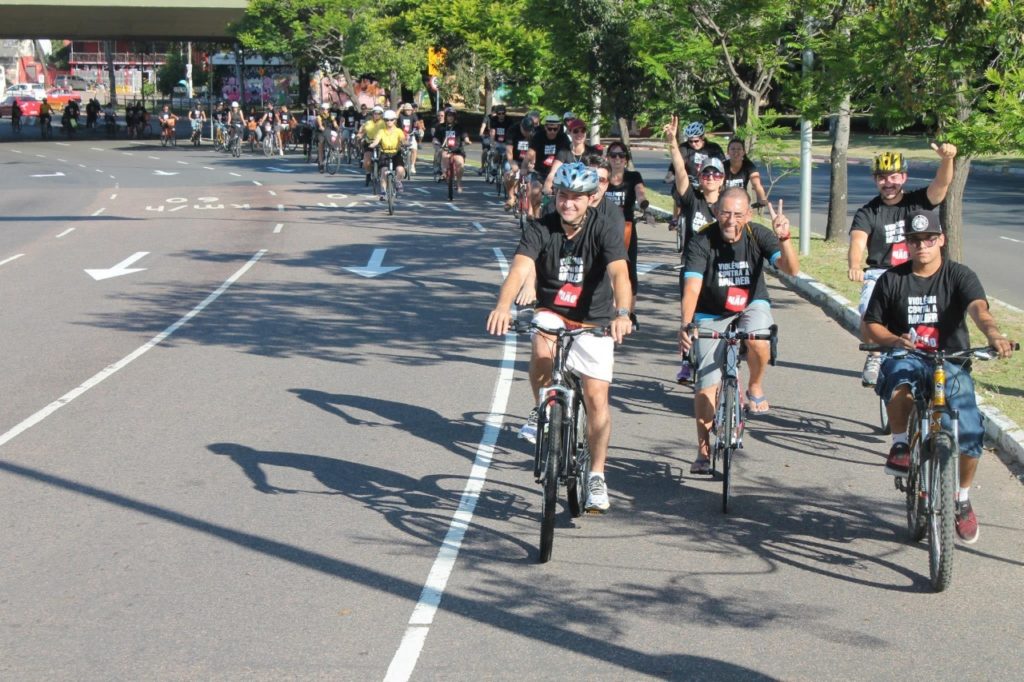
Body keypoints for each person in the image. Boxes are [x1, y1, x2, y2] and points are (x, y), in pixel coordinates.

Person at [486, 162, 633, 512]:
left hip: (593, 318)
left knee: (597, 397)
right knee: (541, 345)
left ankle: (596, 475)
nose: (569, 204)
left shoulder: (604, 228)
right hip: (553, 309)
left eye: (577, 198)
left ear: (590, 198)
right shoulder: (540, 228)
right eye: (563, 196)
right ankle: (542, 410)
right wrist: (502, 307)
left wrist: (623, 314)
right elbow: (520, 268)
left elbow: (619, 274)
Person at [861, 209, 1014, 544]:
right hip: (909, 355)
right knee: (900, 377)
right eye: (914, 241)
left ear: (941, 239)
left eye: (928, 239)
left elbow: (979, 310)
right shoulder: (892, 279)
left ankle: (961, 499)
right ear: (907, 244)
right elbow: (870, 323)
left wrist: (993, 335)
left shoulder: (959, 275)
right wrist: (891, 340)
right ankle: (901, 445)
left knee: (971, 432)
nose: (922, 247)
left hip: (952, 361)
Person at [679, 189, 799, 474]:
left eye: (737, 214)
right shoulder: (702, 240)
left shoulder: (757, 235)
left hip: (750, 303)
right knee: (706, 383)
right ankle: (703, 450)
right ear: (716, 212)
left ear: (748, 215)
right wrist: (686, 325)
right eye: (724, 213)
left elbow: (791, 270)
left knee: (760, 338)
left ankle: (755, 386)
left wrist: (784, 238)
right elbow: (692, 286)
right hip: (711, 311)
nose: (730, 220)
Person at [849, 144, 958, 387]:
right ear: (875, 180)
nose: (888, 182)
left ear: (904, 177)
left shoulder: (917, 201)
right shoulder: (868, 212)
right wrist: (855, 264)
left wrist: (947, 159)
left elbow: (941, 186)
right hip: (882, 273)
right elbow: (858, 241)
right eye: (882, 177)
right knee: (868, 311)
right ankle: (875, 355)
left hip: (917, 270)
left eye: (893, 176)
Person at [665, 116, 727, 383]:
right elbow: (680, 172)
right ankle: (686, 362)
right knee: (688, 316)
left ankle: (728, 357)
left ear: (723, 179)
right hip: (693, 268)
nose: (710, 177)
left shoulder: (729, 205)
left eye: (715, 173)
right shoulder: (693, 200)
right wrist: (672, 144)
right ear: (700, 178)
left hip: (722, 270)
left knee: (725, 317)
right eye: (706, 174)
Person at [604, 141, 650, 328]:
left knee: (628, 269)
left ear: (626, 159)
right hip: (603, 228)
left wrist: (644, 205)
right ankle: (603, 308)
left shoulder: (633, 177)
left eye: (621, 156)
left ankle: (630, 312)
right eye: (613, 155)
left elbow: (640, 193)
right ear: (607, 158)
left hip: (626, 229)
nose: (617, 159)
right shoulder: (603, 177)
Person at [666, 121, 725, 230]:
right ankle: (675, 217)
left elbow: (722, 164)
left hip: (705, 180)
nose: (693, 144)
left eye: (696, 141)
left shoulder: (713, 148)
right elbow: (677, 164)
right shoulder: (684, 148)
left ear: (703, 137)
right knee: (678, 192)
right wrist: (670, 175)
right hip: (689, 180)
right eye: (690, 141)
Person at [528, 114, 571, 216]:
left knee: (562, 196)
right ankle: (537, 217)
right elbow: (530, 153)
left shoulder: (564, 138)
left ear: (559, 128)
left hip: (558, 174)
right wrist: (525, 166)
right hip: (539, 172)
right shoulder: (538, 136)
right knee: (534, 191)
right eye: (549, 128)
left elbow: (569, 154)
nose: (552, 131)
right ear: (545, 127)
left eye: (555, 129)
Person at [366, 109, 407, 200]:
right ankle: (383, 192)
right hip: (384, 154)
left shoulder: (398, 131)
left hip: (396, 153)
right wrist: (372, 145)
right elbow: (376, 141)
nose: (389, 122)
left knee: (400, 170)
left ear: (395, 120)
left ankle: (397, 181)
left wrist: (405, 143)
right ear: (384, 120)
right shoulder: (381, 131)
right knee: (384, 171)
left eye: (391, 120)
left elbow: (403, 140)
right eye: (387, 120)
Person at [504, 114, 537, 210]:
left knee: (532, 179)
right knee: (507, 171)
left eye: (529, 131)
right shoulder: (512, 130)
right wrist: (512, 163)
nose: (526, 133)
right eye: (525, 131)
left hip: (529, 160)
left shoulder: (535, 133)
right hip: (515, 158)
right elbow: (509, 150)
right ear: (521, 127)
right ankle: (511, 197)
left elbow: (536, 149)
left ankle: (530, 207)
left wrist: (533, 163)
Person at [724, 138, 769, 207]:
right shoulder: (722, 166)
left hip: (742, 202)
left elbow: (757, 184)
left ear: (743, 152)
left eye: (739, 149)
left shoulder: (749, 165)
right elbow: (717, 185)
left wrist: (762, 199)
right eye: (733, 149)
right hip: (725, 201)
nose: (736, 151)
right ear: (728, 152)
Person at [436, 107, 471, 193]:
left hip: (457, 150)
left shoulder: (459, 127)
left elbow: (465, 136)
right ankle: (444, 173)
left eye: (452, 116)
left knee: (460, 163)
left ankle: (458, 184)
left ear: (455, 117)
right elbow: (435, 138)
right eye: (448, 115)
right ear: (446, 117)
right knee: (444, 155)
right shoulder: (440, 127)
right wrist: (436, 143)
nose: (450, 117)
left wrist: (467, 140)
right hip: (446, 149)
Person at [358, 105, 385, 180]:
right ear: (372, 114)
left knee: (383, 160)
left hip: (381, 143)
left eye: (379, 113)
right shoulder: (368, 123)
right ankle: (368, 174)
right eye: (375, 113)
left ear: (381, 114)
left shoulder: (384, 123)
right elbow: (363, 131)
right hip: (369, 143)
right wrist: (360, 135)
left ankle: (381, 172)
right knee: (367, 161)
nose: (376, 115)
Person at [396, 102, 421, 172]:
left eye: (410, 110)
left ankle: (412, 165)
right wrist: (400, 108)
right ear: (404, 110)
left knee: (414, 148)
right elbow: (395, 117)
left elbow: (417, 122)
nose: (408, 111)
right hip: (401, 135)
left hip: (410, 134)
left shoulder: (413, 115)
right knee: (399, 149)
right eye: (407, 109)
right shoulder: (401, 115)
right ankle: (399, 163)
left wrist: (418, 127)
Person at [316, 101, 338, 172]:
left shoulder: (331, 116)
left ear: (328, 110)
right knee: (321, 144)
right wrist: (321, 127)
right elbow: (320, 125)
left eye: (325, 109)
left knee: (335, 138)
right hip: (321, 132)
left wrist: (337, 127)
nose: (323, 110)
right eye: (322, 109)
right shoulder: (319, 117)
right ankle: (321, 163)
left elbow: (335, 124)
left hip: (329, 132)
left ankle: (334, 150)